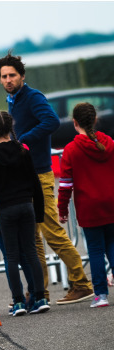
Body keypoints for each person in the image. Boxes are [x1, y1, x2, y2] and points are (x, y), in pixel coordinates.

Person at [0, 51, 94, 304]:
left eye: (12, 75)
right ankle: (39, 293)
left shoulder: (32, 96)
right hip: (24, 177)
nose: (8, 80)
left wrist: (23, 140)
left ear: (22, 76)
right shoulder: (12, 100)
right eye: (4, 76)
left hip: (40, 174)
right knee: (32, 239)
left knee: (52, 232)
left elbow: (51, 121)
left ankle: (82, 283)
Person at [0, 111, 49, 316]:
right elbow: (35, 183)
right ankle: (40, 297)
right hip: (26, 206)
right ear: (12, 127)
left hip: (6, 210)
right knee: (31, 252)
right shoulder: (23, 149)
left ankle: (18, 302)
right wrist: (39, 212)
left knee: (11, 255)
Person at [57, 102, 114, 308]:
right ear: (95, 120)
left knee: (96, 250)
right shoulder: (110, 143)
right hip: (112, 204)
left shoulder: (72, 150)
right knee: (112, 245)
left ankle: (100, 295)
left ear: (75, 123)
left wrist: (62, 210)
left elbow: (65, 185)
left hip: (89, 208)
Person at [0, 123, 37, 302]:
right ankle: (34, 294)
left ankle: (17, 298)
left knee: (9, 258)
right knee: (26, 255)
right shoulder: (19, 153)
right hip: (22, 209)